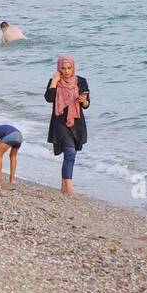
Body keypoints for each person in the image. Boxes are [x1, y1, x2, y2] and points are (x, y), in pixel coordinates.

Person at [46, 54, 90, 195]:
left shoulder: (81, 81)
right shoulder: (54, 81)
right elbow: (49, 98)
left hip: (76, 122)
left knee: (72, 153)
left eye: (69, 68)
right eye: (63, 68)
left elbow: (87, 105)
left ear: (73, 68)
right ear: (59, 69)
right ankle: (69, 188)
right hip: (59, 122)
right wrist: (54, 81)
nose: (66, 71)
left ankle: (64, 187)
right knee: (70, 152)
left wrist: (83, 100)